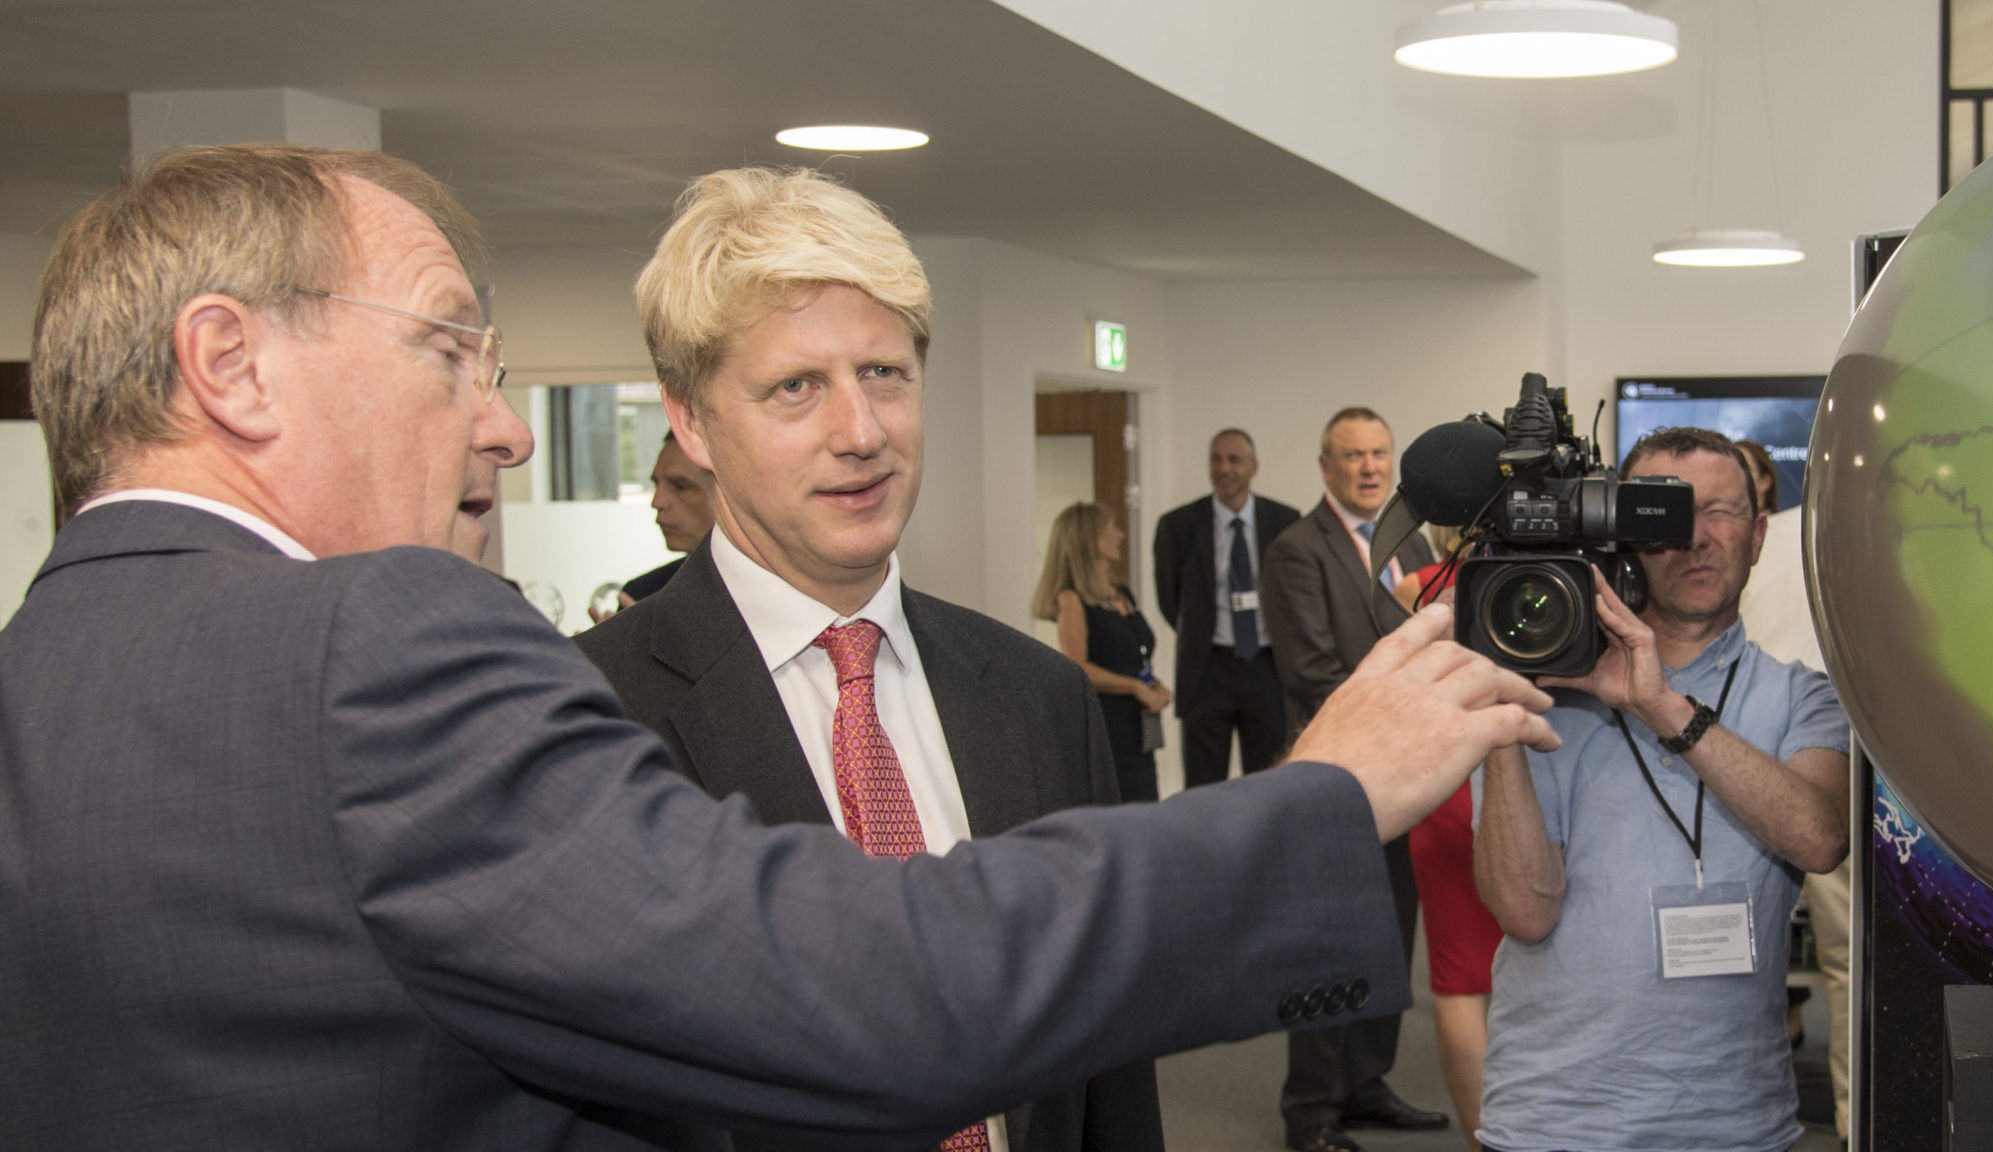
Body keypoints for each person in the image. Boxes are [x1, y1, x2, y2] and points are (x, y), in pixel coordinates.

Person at [0, 143, 1559, 1150]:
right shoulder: (399, 653)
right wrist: (1326, 792)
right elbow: (884, 987)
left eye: (886, 375)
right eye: (449, 353)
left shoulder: (46, 674)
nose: (501, 427)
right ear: (229, 364)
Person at [577, 169, 1172, 1151]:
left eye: (884, 373)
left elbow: (1109, 1065)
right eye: (796, 387)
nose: (861, 434)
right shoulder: (587, 716)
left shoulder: (1039, 698)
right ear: (691, 422)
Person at [1474, 426, 1852, 1152]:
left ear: (1758, 536)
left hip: (1737, 1127)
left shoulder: (1803, 698)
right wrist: (1503, 714)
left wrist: (1659, 703)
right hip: (1555, 1121)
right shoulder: (1543, 697)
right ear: (1623, 533)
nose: (1695, 537)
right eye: (1666, 512)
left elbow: (1819, 838)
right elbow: (1524, 910)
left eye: (1720, 511)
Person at [1262, 407, 1447, 1152]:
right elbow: (1311, 673)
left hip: (1407, 773)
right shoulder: (1296, 550)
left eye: (1379, 453)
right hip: (1334, 780)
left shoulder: (1415, 541)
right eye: (1352, 455)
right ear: (1325, 465)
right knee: (1327, 945)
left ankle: (1366, 1085)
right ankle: (1311, 1109)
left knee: (1389, 935)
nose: (1369, 467)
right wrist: (1415, 706)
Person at [1734, 437, 1852, 1141]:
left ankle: (1850, 1120)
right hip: (1771, 762)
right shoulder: (1818, 537)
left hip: (1802, 761)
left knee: (1840, 958)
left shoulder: (1800, 540)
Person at [1392, 525, 1504, 1152]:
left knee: (1460, 980)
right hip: (1525, 776)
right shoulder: (1546, 583)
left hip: (1447, 783)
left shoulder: (1416, 590)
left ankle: (1485, 1144)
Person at [1152, 428, 1299, 790]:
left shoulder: (1285, 521)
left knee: (1269, 782)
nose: (1224, 469)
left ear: (1253, 467)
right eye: (1216, 460)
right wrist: (1201, 631)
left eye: (1234, 460)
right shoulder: (1179, 525)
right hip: (1207, 669)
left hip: (1267, 668)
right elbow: (1170, 600)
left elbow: (1295, 593)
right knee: (1203, 787)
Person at [1037, 501, 1168, 803]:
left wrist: (1155, 687)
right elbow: (1077, 667)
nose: (1120, 535)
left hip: (1140, 728)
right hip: (1108, 728)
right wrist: (1134, 687)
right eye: (1111, 529)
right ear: (1088, 539)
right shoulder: (1071, 599)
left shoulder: (1123, 594)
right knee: (1118, 810)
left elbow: (1132, 657)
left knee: (1146, 810)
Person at [617, 430, 718, 604]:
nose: (657, 502)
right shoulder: (641, 593)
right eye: (656, 485)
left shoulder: (766, 595)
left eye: (680, 486)